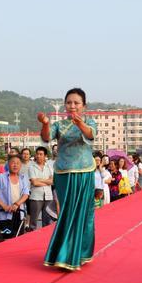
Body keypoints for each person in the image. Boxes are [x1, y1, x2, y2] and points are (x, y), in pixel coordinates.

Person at [39, 87, 97, 270]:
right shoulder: (59, 124)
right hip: (63, 174)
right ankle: (63, 254)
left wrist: (79, 123)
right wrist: (46, 123)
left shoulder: (89, 121)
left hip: (84, 173)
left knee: (84, 214)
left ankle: (80, 253)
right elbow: (46, 138)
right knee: (67, 213)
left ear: (84, 106)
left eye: (76, 103)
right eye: (69, 102)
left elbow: (90, 134)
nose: (72, 106)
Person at [0, 154, 30, 238]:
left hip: (19, 213)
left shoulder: (23, 178)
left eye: (18, 163)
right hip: (4, 213)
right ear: (8, 164)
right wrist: (4, 206)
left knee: (19, 237)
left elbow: (26, 194)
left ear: (21, 165)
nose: (15, 165)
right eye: (13, 163)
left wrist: (17, 204)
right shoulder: (0, 177)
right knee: (5, 238)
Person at [28, 146, 54, 230]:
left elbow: (53, 181)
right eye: (37, 154)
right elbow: (34, 182)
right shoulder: (31, 167)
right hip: (36, 197)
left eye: (41, 154)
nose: (38, 156)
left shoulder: (49, 167)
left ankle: (45, 240)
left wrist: (40, 180)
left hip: (48, 196)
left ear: (45, 156)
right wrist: (47, 181)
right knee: (33, 221)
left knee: (47, 221)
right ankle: (32, 238)